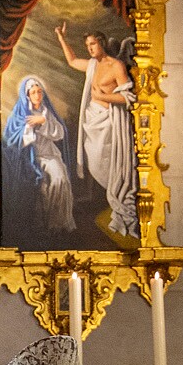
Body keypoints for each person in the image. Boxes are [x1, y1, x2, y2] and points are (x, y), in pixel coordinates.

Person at [54, 23, 137, 240]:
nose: (90, 49)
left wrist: (102, 97)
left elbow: (127, 97)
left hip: (108, 124)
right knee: (94, 161)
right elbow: (72, 61)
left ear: (101, 43)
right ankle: (112, 195)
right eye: (87, 45)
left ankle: (118, 199)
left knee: (109, 163)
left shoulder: (116, 65)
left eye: (93, 44)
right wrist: (62, 38)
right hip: (92, 122)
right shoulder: (92, 65)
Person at [1, 74, 75, 241]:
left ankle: (57, 223)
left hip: (49, 155)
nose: (37, 95)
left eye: (39, 91)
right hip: (30, 158)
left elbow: (60, 133)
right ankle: (42, 226)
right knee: (42, 186)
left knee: (59, 179)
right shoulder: (20, 113)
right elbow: (10, 139)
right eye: (33, 92)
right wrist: (28, 128)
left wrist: (43, 122)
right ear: (27, 95)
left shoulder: (46, 112)